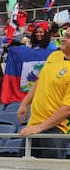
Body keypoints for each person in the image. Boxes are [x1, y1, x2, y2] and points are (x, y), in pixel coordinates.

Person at [17, 27, 70, 158]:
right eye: (64, 35)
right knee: (22, 165)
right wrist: (24, 103)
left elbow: (67, 109)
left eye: (68, 37)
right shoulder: (54, 55)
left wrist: (40, 127)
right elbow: (40, 80)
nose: (62, 39)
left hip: (56, 129)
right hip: (33, 126)